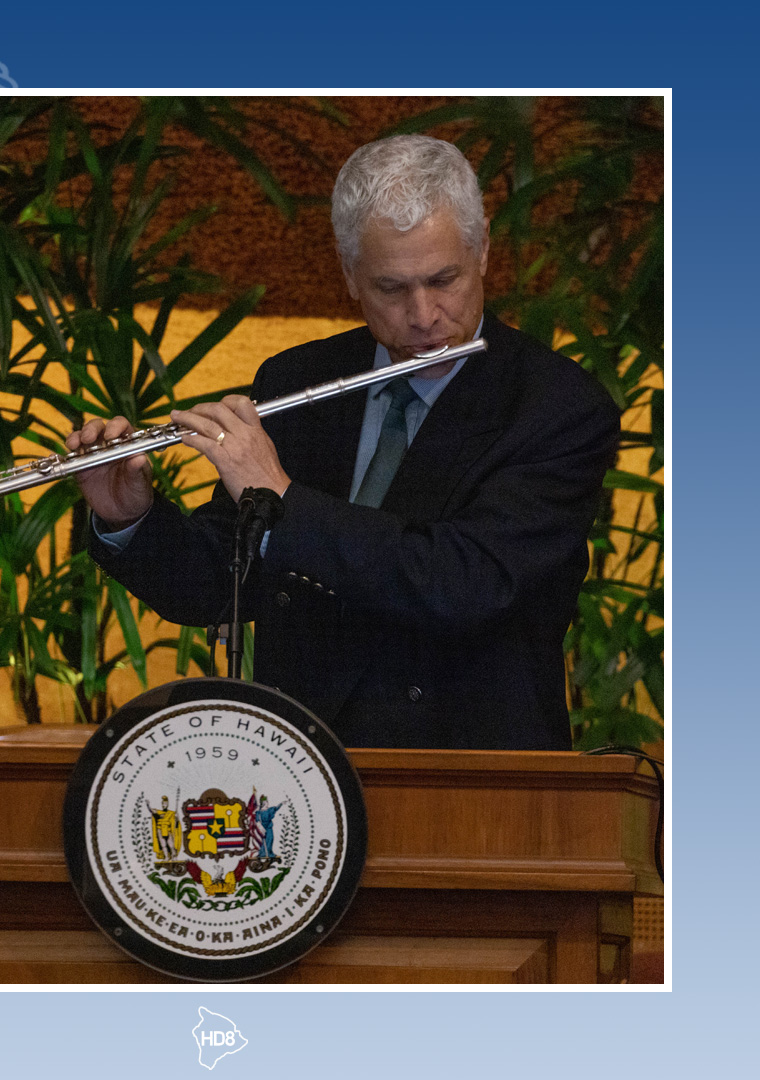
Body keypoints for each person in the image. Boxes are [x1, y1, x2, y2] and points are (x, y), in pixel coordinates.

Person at [68, 134, 620, 751]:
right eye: (391, 288)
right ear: (349, 273)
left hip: (472, 777)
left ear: (483, 249)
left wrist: (283, 500)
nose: (424, 315)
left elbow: (464, 582)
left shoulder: (556, 406)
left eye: (444, 279)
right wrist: (132, 519)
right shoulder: (297, 379)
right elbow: (220, 583)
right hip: (300, 770)